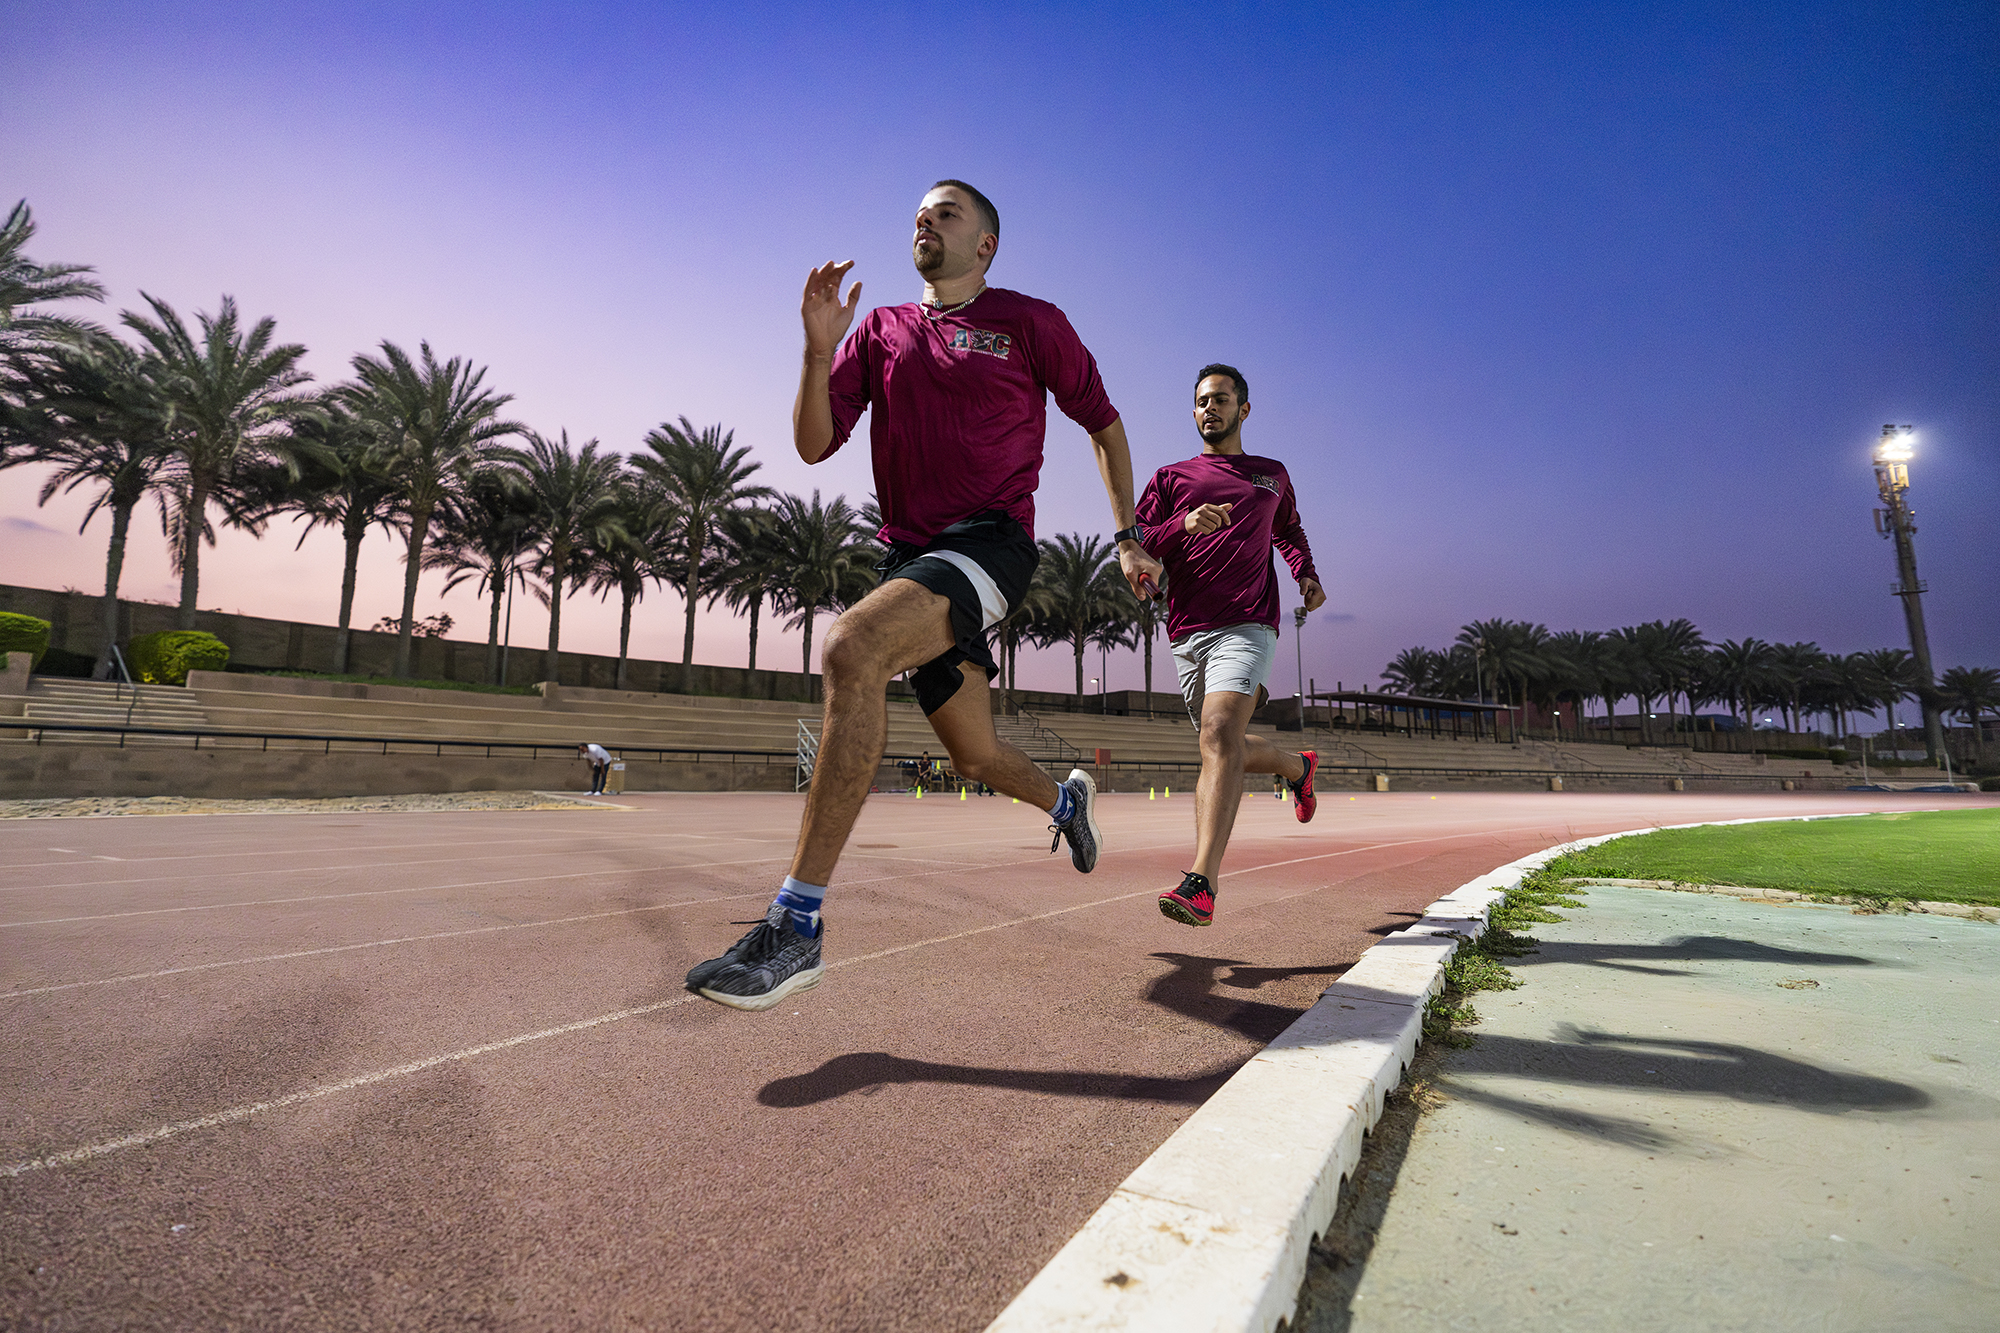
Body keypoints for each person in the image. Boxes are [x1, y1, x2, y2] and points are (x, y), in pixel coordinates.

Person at [685, 179, 1164, 1011]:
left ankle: (796, 925)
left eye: (946, 213)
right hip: (911, 556)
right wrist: (815, 350)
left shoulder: (1030, 323)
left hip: (991, 544)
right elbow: (812, 445)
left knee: (850, 648)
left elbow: (1106, 425)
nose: (925, 221)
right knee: (973, 755)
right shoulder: (881, 331)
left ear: (986, 244)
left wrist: (1126, 537)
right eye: (919, 213)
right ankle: (1066, 798)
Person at [1133, 364, 1324, 927]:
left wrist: (1305, 574)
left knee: (1218, 734)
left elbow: (1288, 531)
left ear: (1243, 409)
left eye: (1219, 400)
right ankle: (1297, 768)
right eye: (1200, 402)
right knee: (1225, 745)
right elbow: (1137, 542)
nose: (1208, 409)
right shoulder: (1171, 478)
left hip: (1250, 620)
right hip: (1187, 630)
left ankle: (1202, 883)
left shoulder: (1271, 475)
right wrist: (1183, 525)